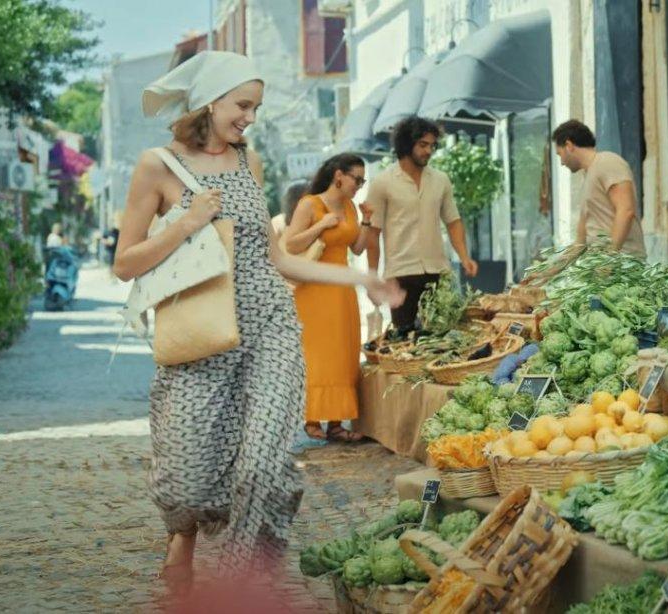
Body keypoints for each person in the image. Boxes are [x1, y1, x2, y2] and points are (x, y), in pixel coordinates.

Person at [111, 51, 404, 594]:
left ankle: (240, 585)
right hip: (201, 328)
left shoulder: (249, 162)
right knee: (189, 478)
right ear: (210, 100)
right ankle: (183, 533)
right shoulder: (158, 165)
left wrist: (361, 280)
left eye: (256, 107)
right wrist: (187, 224)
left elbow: (278, 259)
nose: (250, 117)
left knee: (264, 465)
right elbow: (125, 262)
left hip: (269, 326)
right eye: (242, 105)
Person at [363, 116, 477, 337]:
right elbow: (373, 235)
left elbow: (453, 221)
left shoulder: (441, 180)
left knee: (442, 338)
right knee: (404, 341)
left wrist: (464, 257)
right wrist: (372, 277)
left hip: (437, 271)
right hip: (400, 273)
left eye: (432, 145)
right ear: (406, 144)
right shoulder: (382, 183)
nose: (429, 151)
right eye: (423, 145)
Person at [283, 155, 369, 442]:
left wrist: (367, 221)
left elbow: (357, 248)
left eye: (362, 180)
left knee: (343, 353)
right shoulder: (310, 204)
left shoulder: (351, 207)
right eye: (356, 178)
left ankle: (335, 423)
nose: (359, 185)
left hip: (342, 288)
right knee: (317, 354)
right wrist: (321, 226)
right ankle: (311, 418)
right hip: (314, 288)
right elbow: (291, 244)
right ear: (338, 176)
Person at [553, 119, 646, 258]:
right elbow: (580, 243)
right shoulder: (588, 178)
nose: (561, 163)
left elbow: (626, 210)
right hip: (599, 266)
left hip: (623, 264)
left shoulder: (608, 162)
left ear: (569, 145)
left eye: (560, 154)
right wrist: (544, 275)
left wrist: (608, 259)